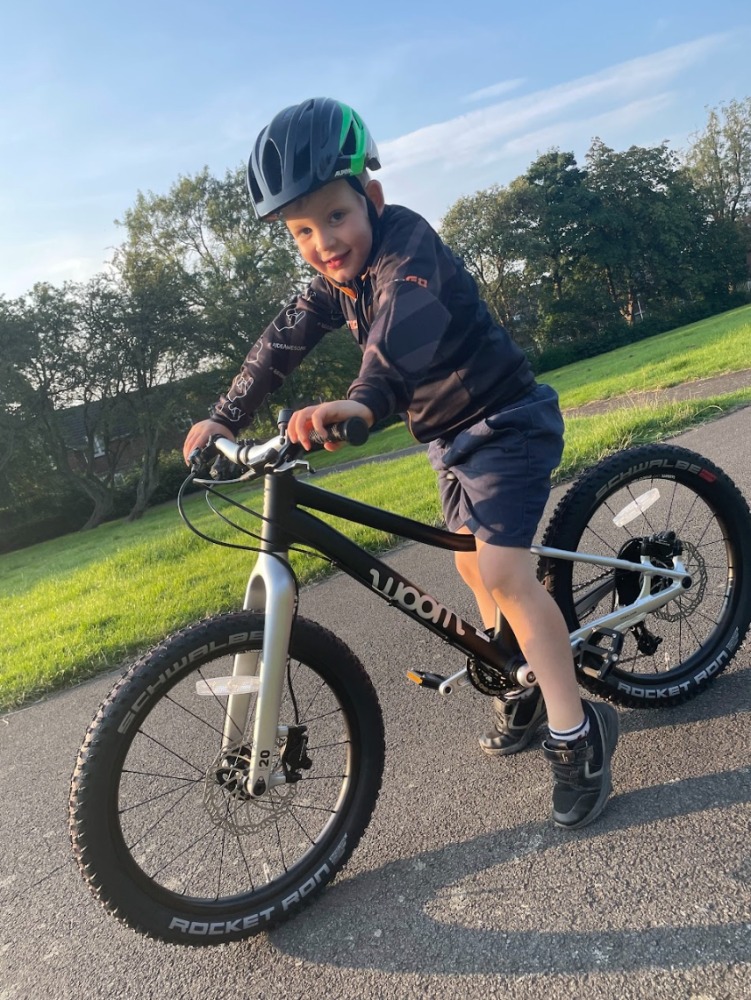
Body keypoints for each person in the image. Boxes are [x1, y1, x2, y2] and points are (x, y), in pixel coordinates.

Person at [183, 97, 618, 829]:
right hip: (448, 438)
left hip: (505, 419)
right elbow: (280, 340)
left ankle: (579, 735)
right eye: (301, 230)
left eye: (335, 216)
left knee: (507, 574)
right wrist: (224, 415)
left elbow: (401, 326)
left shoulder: (405, 248)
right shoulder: (333, 282)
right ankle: (522, 683)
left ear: (371, 199)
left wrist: (362, 401)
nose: (323, 241)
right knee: (469, 566)